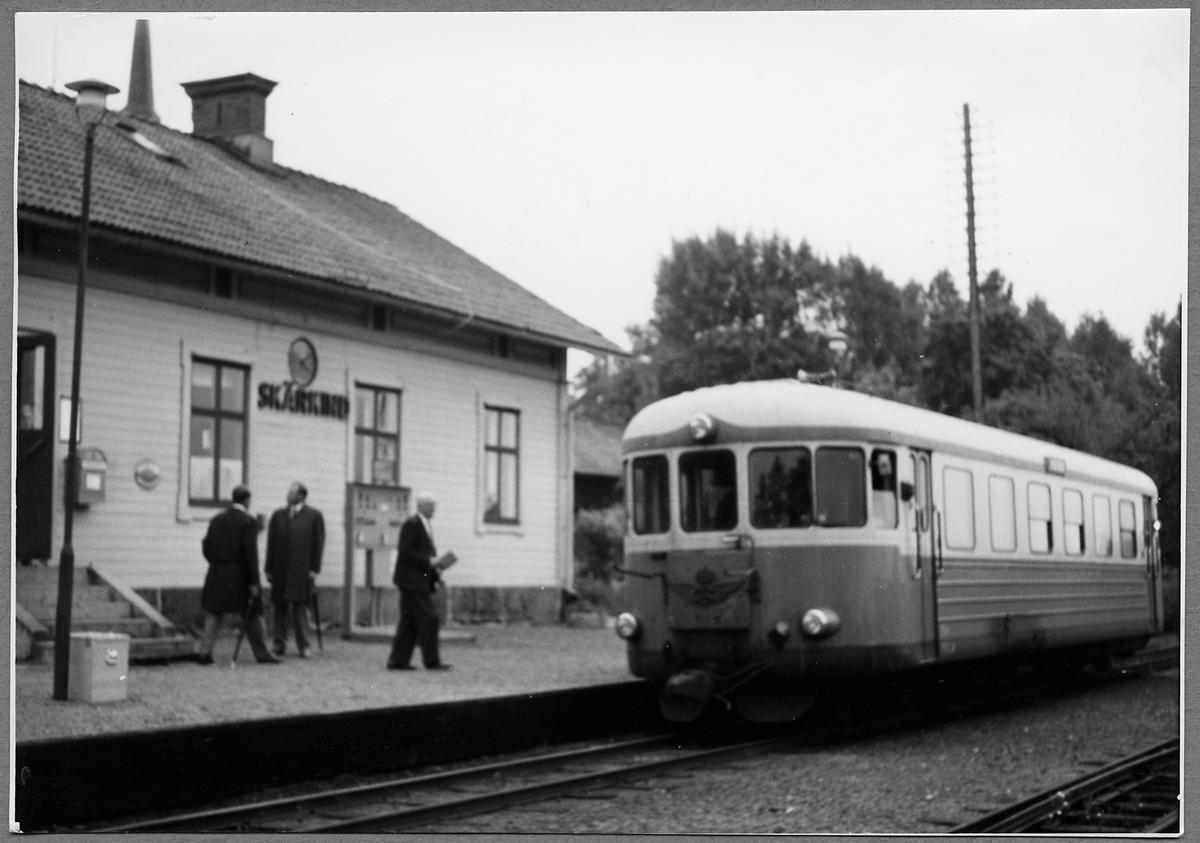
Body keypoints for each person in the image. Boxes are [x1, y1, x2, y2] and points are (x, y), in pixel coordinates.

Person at [198, 485, 279, 665]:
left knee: (214, 613)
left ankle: (205, 653)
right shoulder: (248, 521)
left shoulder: (217, 519)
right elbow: (250, 554)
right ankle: (263, 653)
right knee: (253, 613)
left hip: (216, 572)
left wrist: (216, 562)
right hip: (239, 576)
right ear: (247, 500)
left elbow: (206, 546)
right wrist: (253, 582)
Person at [387, 491, 452, 671]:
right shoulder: (413, 524)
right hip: (412, 581)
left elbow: (422, 553)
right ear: (421, 506)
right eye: (431, 505)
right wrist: (428, 562)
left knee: (410, 622)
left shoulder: (424, 524)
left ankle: (398, 661)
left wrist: (436, 574)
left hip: (415, 581)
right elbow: (405, 551)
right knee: (430, 618)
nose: (434, 509)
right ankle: (432, 661)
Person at [266, 482, 325, 658]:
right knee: (279, 607)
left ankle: (303, 645)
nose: (288, 495)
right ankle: (279, 643)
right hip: (281, 568)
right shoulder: (278, 515)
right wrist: (269, 568)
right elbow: (271, 544)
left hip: (301, 569)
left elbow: (318, 544)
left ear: (301, 496)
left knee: (300, 608)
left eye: (291, 493)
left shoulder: (313, 516)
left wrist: (314, 568)